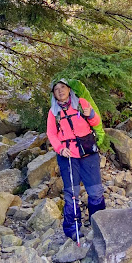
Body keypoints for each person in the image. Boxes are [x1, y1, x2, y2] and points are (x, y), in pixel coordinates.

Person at [46, 78, 106, 240]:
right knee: (72, 193)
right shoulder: (53, 112)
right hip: (68, 156)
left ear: (69, 89)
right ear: (53, 94)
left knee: (95, 191)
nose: (60, 91)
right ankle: (73, 229)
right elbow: (51, 134)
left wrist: (91, 114)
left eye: (63, 87)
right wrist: (60, 149)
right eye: (56, 89)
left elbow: (96, 122)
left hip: (88, 153)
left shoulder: (81, 103)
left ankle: (100, 224)